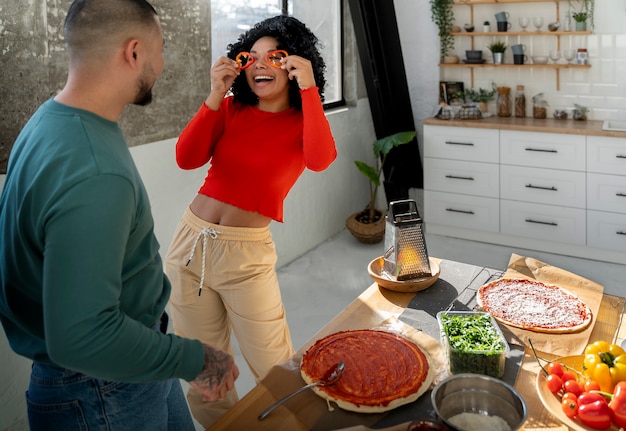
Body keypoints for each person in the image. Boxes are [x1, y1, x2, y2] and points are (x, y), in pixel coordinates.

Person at [0, 0, 239, 429]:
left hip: (130, 364)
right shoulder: (94, 171)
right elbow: (83, 335)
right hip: (101, 390)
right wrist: (192, 358)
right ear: (134, 53)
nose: (163, 63)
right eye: (160, 48)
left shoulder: (50, 121)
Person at [164, 15, 337, 427]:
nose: (260, 64)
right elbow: (186, 158)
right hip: (189, 248)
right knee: (207, 374)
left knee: (277, 369)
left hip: (245, 257)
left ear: (294, 63)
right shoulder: (230, 108)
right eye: (250, 56)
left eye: (274, 56)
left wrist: (310, 89)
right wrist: (212, 95)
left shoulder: (303, 120)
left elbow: (319, 160)